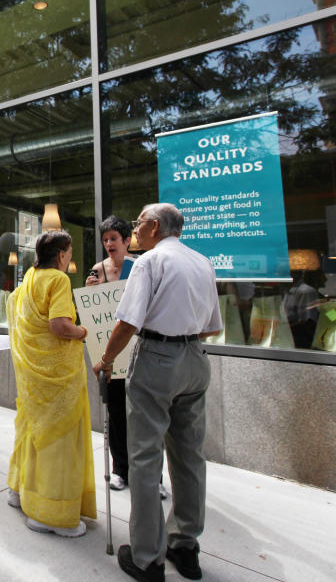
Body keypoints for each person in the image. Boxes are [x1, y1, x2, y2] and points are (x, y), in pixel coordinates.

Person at [93, 203, 221, 582]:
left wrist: (106, 358)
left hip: (157, 358)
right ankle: (185, 545)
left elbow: (128, 321)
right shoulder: (202, 261)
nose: (134, 230)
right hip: (195, 358)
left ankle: (148, 557)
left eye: (136, 224)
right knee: (189, 456)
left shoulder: (149, 262)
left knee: (145, 457)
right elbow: (211, 326)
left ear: (152, 226)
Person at [6, 229, 95, 537]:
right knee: (59, 439)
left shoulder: (29, 277)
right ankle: (50, 514)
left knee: (31, 430)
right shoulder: (58, 280)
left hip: (32, 377)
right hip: (56, 379)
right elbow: (59, 326)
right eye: (69, 253)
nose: (69, 259)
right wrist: (84, 332)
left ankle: (19, 490)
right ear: (61, 255)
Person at [85, 215, 137, 492]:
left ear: (127, 241)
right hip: (111, 351)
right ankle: (120, 469)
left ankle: (153, 476)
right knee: (115, 411)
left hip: (136, 348)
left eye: (113, 239)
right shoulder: (98, 270)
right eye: (105, 240)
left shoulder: (139, 267)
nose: (108, 244)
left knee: (142, 414)